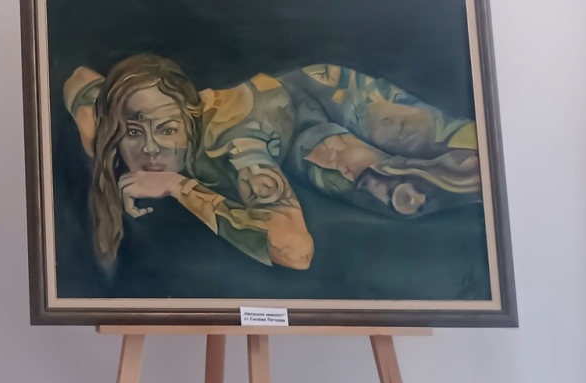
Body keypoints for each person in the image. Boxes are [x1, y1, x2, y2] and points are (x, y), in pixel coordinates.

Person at [64, 55, 482, 272]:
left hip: (322, 91)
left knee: (437, 136)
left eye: (167, 130)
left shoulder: (235, 147)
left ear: (190, 118)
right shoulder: (115, 121)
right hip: (302, 138)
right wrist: (91, 119)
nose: (151, 150)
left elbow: (295, 250)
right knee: (394, 191)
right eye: (134, 133)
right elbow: (79, 78)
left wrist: (181, 187)